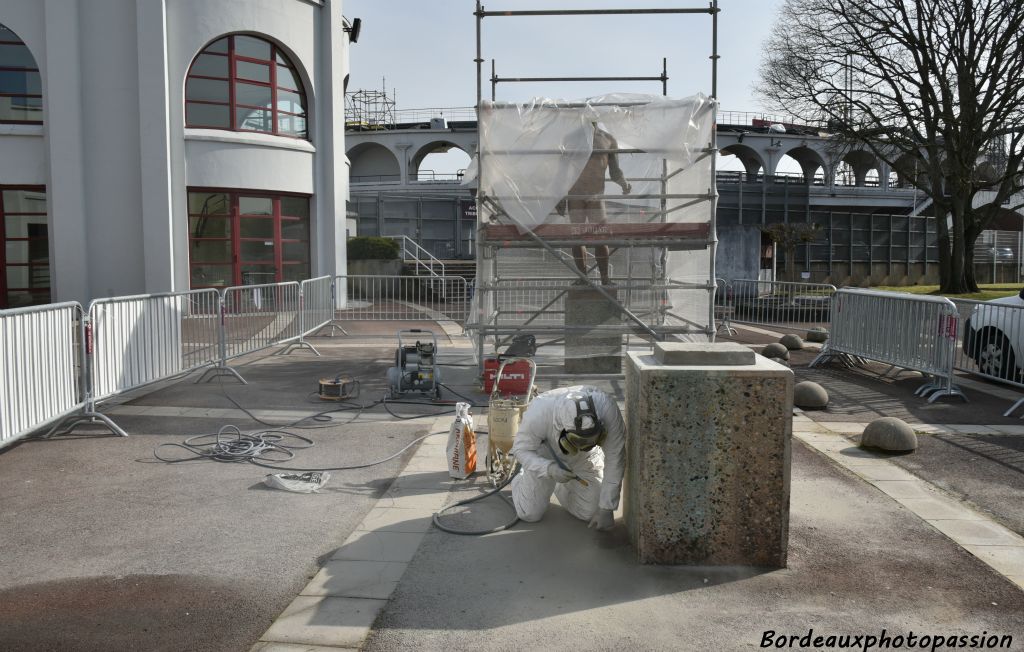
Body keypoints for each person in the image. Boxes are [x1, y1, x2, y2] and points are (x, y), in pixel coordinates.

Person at [509, 385, 626, 530]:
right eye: (580, 441)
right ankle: (521, 479)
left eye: (592, 439)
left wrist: (607, 508)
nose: (586, 445)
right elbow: (521, 450)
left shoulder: (607, 408)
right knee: (529, 513)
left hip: (584, 458)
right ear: (564, 431)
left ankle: (562, 485)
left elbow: (616, 457)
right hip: (547, 454)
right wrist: (548, 469)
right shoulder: (539, 412)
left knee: (590, 512)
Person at [556, 122, 632, 285]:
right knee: (577, 238)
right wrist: (560, 196)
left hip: (595, 195)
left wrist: (624, 184)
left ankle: (604, 278)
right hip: (575, 195)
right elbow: (562, 171)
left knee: (601, 237)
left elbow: (614, 171)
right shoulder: (570, 139)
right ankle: (583, 278)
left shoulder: (608, 140)